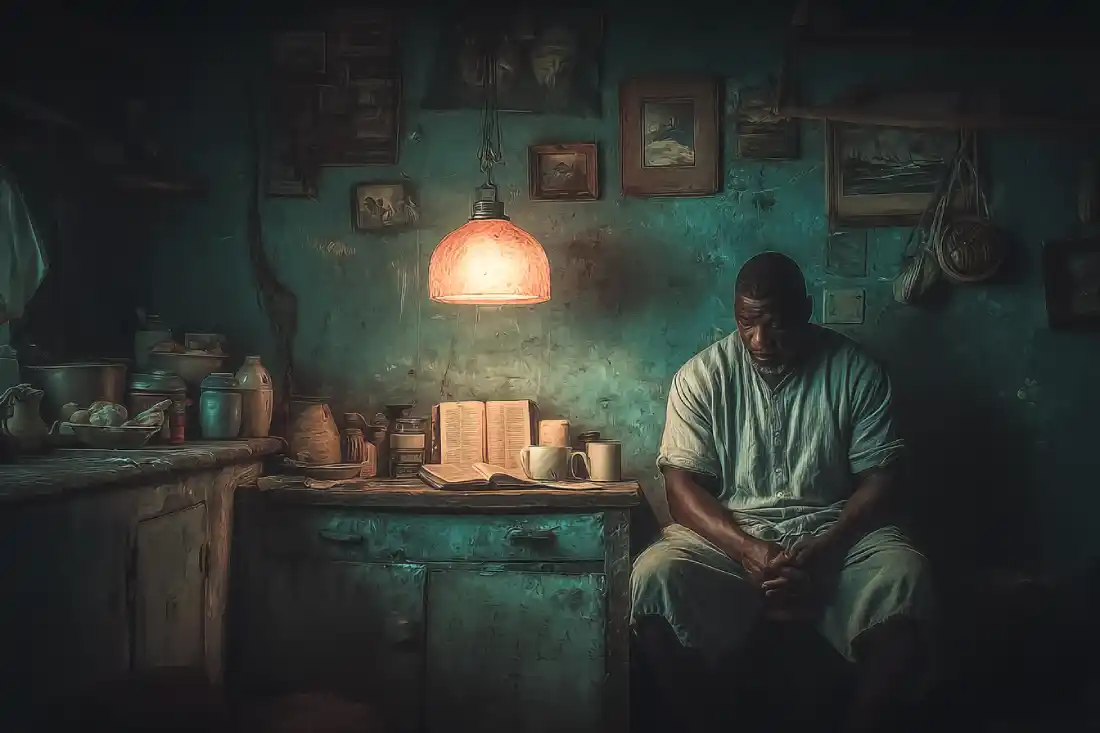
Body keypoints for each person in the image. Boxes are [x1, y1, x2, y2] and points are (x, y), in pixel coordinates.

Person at [631, 251, 934, 733]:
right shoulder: (701, 377)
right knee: (654, 576)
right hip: (734, 537)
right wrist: (749, 550)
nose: (760, 340)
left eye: (775, 324)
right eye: (747, 323)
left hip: (838, 533)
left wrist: (827, 547)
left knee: (906, 576)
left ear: (806, 309)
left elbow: (882, 480)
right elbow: (680, 486)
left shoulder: (856, 370)